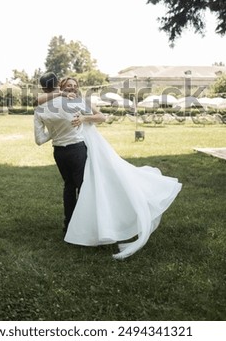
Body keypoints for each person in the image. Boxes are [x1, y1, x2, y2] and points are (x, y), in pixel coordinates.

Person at [36, 75, 182, 261]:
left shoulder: (80, 101)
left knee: (91, 183)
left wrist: (84, 118)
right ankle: (74, 224)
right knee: (74, 185)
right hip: (76, 147)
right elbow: (38, 102)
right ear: (62, 87)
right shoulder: (56, 103)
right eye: (68, 86)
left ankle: (88, 224)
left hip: (90, 146)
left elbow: (102, 117)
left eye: (74, 86)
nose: (72, 88)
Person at [34, 72, 105, 233]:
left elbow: (39, 140)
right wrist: (83, 119)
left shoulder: (39, 109)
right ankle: (86, 226)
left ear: (43, 87)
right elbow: (102, 117)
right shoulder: (74, 101)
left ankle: (69, 225)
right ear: (59, 83)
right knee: (83, 186)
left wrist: (54, 132)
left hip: (59, 152)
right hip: (77, 150)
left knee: (69, 186)